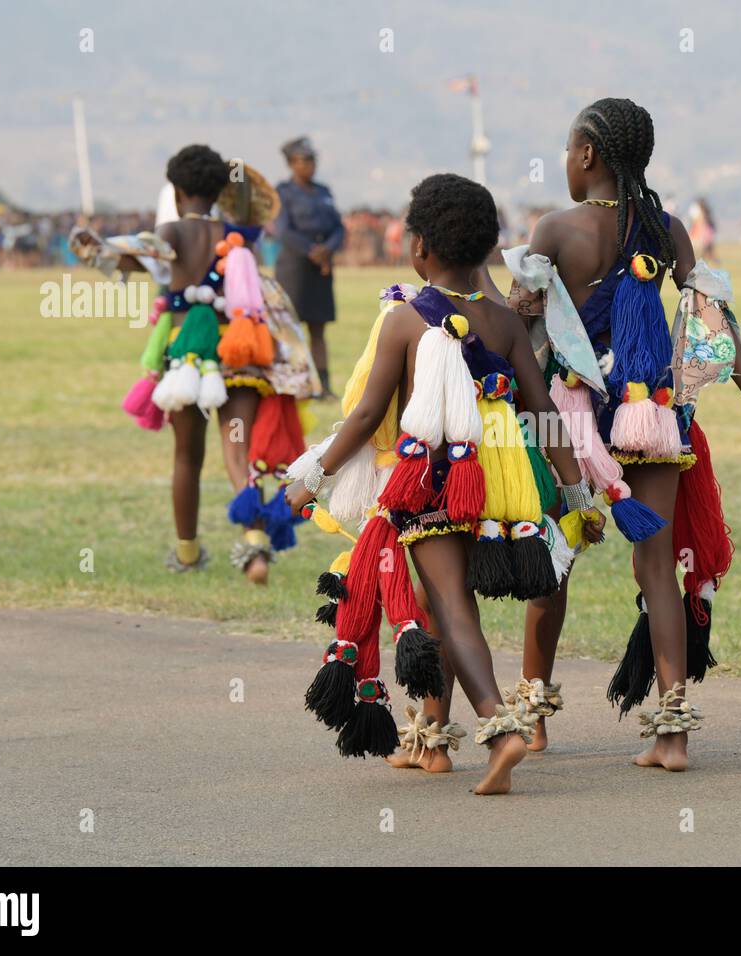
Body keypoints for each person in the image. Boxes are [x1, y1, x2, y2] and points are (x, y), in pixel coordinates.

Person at [286, 173, 605, 795]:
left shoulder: (406, 321)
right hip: (502, 484)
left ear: (420, 248)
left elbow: (365, 415)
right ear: (488, 248)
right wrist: (576, 494)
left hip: (433, 482)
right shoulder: (506, 324)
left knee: (453, 609)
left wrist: (312, 475)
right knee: (438, 607)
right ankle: (431, 741)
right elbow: (543, 416)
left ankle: (499, 726)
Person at [495, 97, 741, 767]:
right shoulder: (668, 229)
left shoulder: (554, 229)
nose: (567, 162)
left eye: (569, 151)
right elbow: (714, 323)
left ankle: (534, 719)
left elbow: (518, 326)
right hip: (649, 413)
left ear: (588, 155)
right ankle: (672, 734)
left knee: (553, 567)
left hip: (568, 419)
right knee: (659, 570)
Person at [74, 145, 318, 581]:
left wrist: (97, 247)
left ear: (177, 189)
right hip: (238, 353)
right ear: (218, 190)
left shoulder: (171, 233)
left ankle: (187, 553)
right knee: (238, 449)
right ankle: (255, 547)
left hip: (187, 357)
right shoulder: (239, 237)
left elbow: (138, 255)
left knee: (187, 456)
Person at [274, 137, 345, 400]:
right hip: (294, 267)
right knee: (291, 330)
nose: (310, 165)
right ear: (292, 164)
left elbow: (339, 227)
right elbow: (283, 230)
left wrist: (328, 249)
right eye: (304, 161)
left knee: (319, 329)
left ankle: (323, 387)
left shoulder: (323, 191)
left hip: (321, 269)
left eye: (313, 160)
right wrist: (312, 251)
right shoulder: (283, 192)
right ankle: (297, 386)